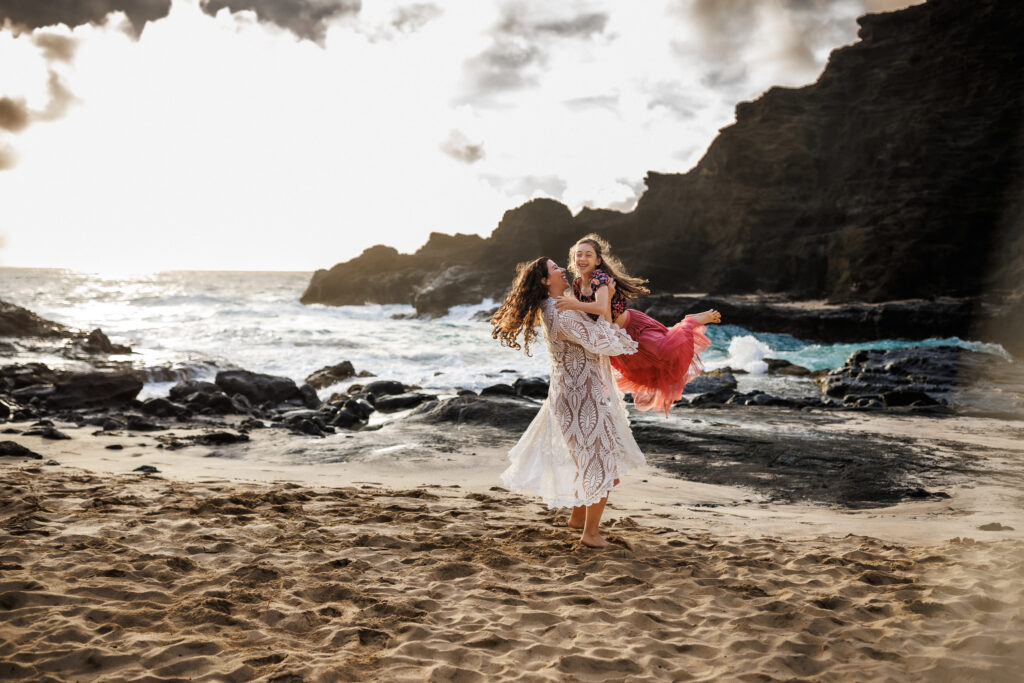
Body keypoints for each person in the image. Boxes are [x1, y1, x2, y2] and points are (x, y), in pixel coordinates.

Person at [491, 257, 644, 548]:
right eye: (555, 269)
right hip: (582, 396)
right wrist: (608, 299)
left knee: (586, 459)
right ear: (546, 281)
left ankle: (577, 518)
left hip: (570, 393)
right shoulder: (561, 311)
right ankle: (590, 534)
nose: (563, 270)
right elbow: (606, 342)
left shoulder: (556, 307)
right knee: (598, 461)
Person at [557, 234, 721, 416]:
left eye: (588, 255)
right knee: (647, 377)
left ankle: (690, 322)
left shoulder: (599, 278)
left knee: (667, 353)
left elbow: (601, 307)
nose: (582, 258)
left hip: (634, 328)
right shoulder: (578, 283)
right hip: (615, 336)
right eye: (578, 255)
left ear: (597, 261)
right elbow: (593, 315)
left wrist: (572, 303)